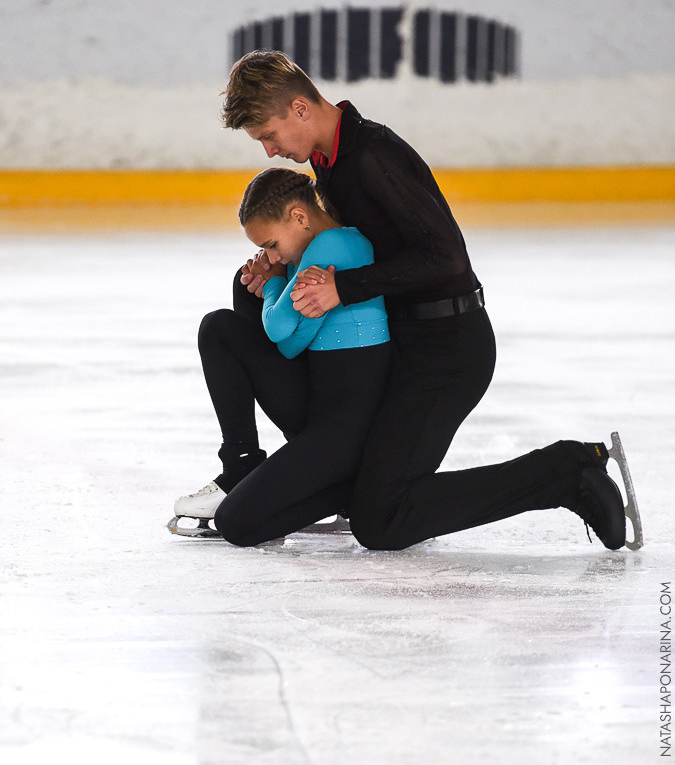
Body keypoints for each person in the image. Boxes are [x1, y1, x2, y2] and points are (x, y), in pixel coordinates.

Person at [216, 49, 638, 552]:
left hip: (448, 350)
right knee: (370, 500)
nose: (268, 151)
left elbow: (446, 260)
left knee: (382, 520)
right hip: (406, 346)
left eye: (268, 135)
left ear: (300, 109)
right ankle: (295, 485)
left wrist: (342, 289)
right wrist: (278, 266)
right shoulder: (331, 163)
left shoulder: (371, 155)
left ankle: (567, 473)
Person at [170, 167, 391, 546]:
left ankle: (342, 490)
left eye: (271, 244)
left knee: (237, 523)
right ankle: (242, 464)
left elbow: (276, 329)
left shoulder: (333, 248)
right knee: (224, 323)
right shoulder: (315, 251)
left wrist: (273, 282)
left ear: (299, 217)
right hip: (323, 414)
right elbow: (288, 345)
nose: (270, 255)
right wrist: (277, 277)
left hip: (343, 433)